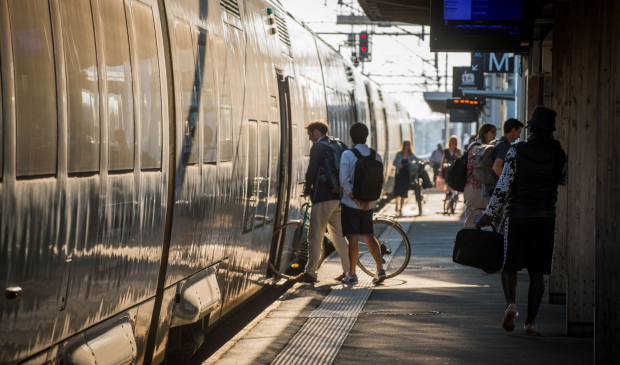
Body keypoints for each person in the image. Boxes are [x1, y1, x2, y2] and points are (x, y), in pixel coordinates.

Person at [478, 106, 567, 336]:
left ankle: (511, 305)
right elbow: (563, 179)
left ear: (530, 128)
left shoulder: (517, 150)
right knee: (538, 272)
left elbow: (503, 184)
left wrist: (490, 213)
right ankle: (531, 323)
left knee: (510, 266)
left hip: (517, 216)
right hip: (545, 216)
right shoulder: (558, 153)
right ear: (550, 130)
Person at [295, 120, 351, 283]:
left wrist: (307, 190)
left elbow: (312, 170)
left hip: (323, 196)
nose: (309, 138)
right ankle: (348, 271)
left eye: (309, 134)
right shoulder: (339, 144)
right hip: (338, 197)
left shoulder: (318, 147)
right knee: (339, 236)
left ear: (317, 133)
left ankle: (311, 273)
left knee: (315, 236)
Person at [339, 123, 386, 284]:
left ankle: (352, 274)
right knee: (369, 236)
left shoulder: (347, 155)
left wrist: (357, 199)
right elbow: (380, 182)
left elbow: (344, 182)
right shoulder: (376, 156)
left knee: (353, 238)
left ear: (351, 137)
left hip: (351, 205)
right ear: (367, 136)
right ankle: (380, 269)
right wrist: (368, 202)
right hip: (369, 205)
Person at [482, 118, 524, 202]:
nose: (519, 136)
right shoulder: (505, 146)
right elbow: (496, 167)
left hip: (490, 189)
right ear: (513, 130)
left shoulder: (498, 142)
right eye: (518, 132)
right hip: (496, 191)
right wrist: (509, 183)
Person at [463, 124, 497, 227]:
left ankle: (474, 242)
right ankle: (466, 242)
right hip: (474, 187)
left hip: (481, 188)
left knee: (480, 222)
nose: (495, 134)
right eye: (492, 131)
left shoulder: (480, 145)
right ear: (484, 133)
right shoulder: (476, 146)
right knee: (472, 220)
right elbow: (481, 152)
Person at [392, 140, 414, 216]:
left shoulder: (410, 155)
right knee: (398, 191)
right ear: (403, 145)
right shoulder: (399, 154)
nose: (407, 146)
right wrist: (398, 164)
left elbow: (416, 159)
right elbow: (394, 162)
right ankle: (396, 205)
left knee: (404, 192)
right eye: (406, 144)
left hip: (406, 175)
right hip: (399, 174)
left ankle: (401, 209)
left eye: (408, 144)